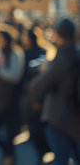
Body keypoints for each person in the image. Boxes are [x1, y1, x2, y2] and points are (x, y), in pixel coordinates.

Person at [29, 17, 80, 165]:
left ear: (58, 35)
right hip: (75, 117)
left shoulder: (62, 58)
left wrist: (44, 69)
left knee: (61, 160)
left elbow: (37, 86)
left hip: (60, 119)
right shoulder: (75, 54)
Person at [0, 30, 25, 165]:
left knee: (10, 132)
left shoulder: (16, 53)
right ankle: (7, 153)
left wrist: (0, 68)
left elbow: (15, 76)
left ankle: (9, 157)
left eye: (1, 38)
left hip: (11, 99)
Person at [20, 29, 50, 164]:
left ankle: (44, 152)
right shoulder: (23, 52)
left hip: (40, 95)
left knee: (41, 127)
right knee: (33, 126)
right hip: (28, 95)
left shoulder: (42, 51)